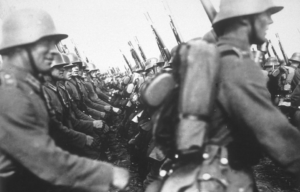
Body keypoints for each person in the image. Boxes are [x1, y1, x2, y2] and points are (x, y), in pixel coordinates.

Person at [0, 9, 128, 192]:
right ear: (21, 49)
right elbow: (42, 158)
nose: (52, 53)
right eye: (44, 46)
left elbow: (55, 127)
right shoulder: (10, 91)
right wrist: (103, 174)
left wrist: (84, 137)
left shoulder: (29, 87)